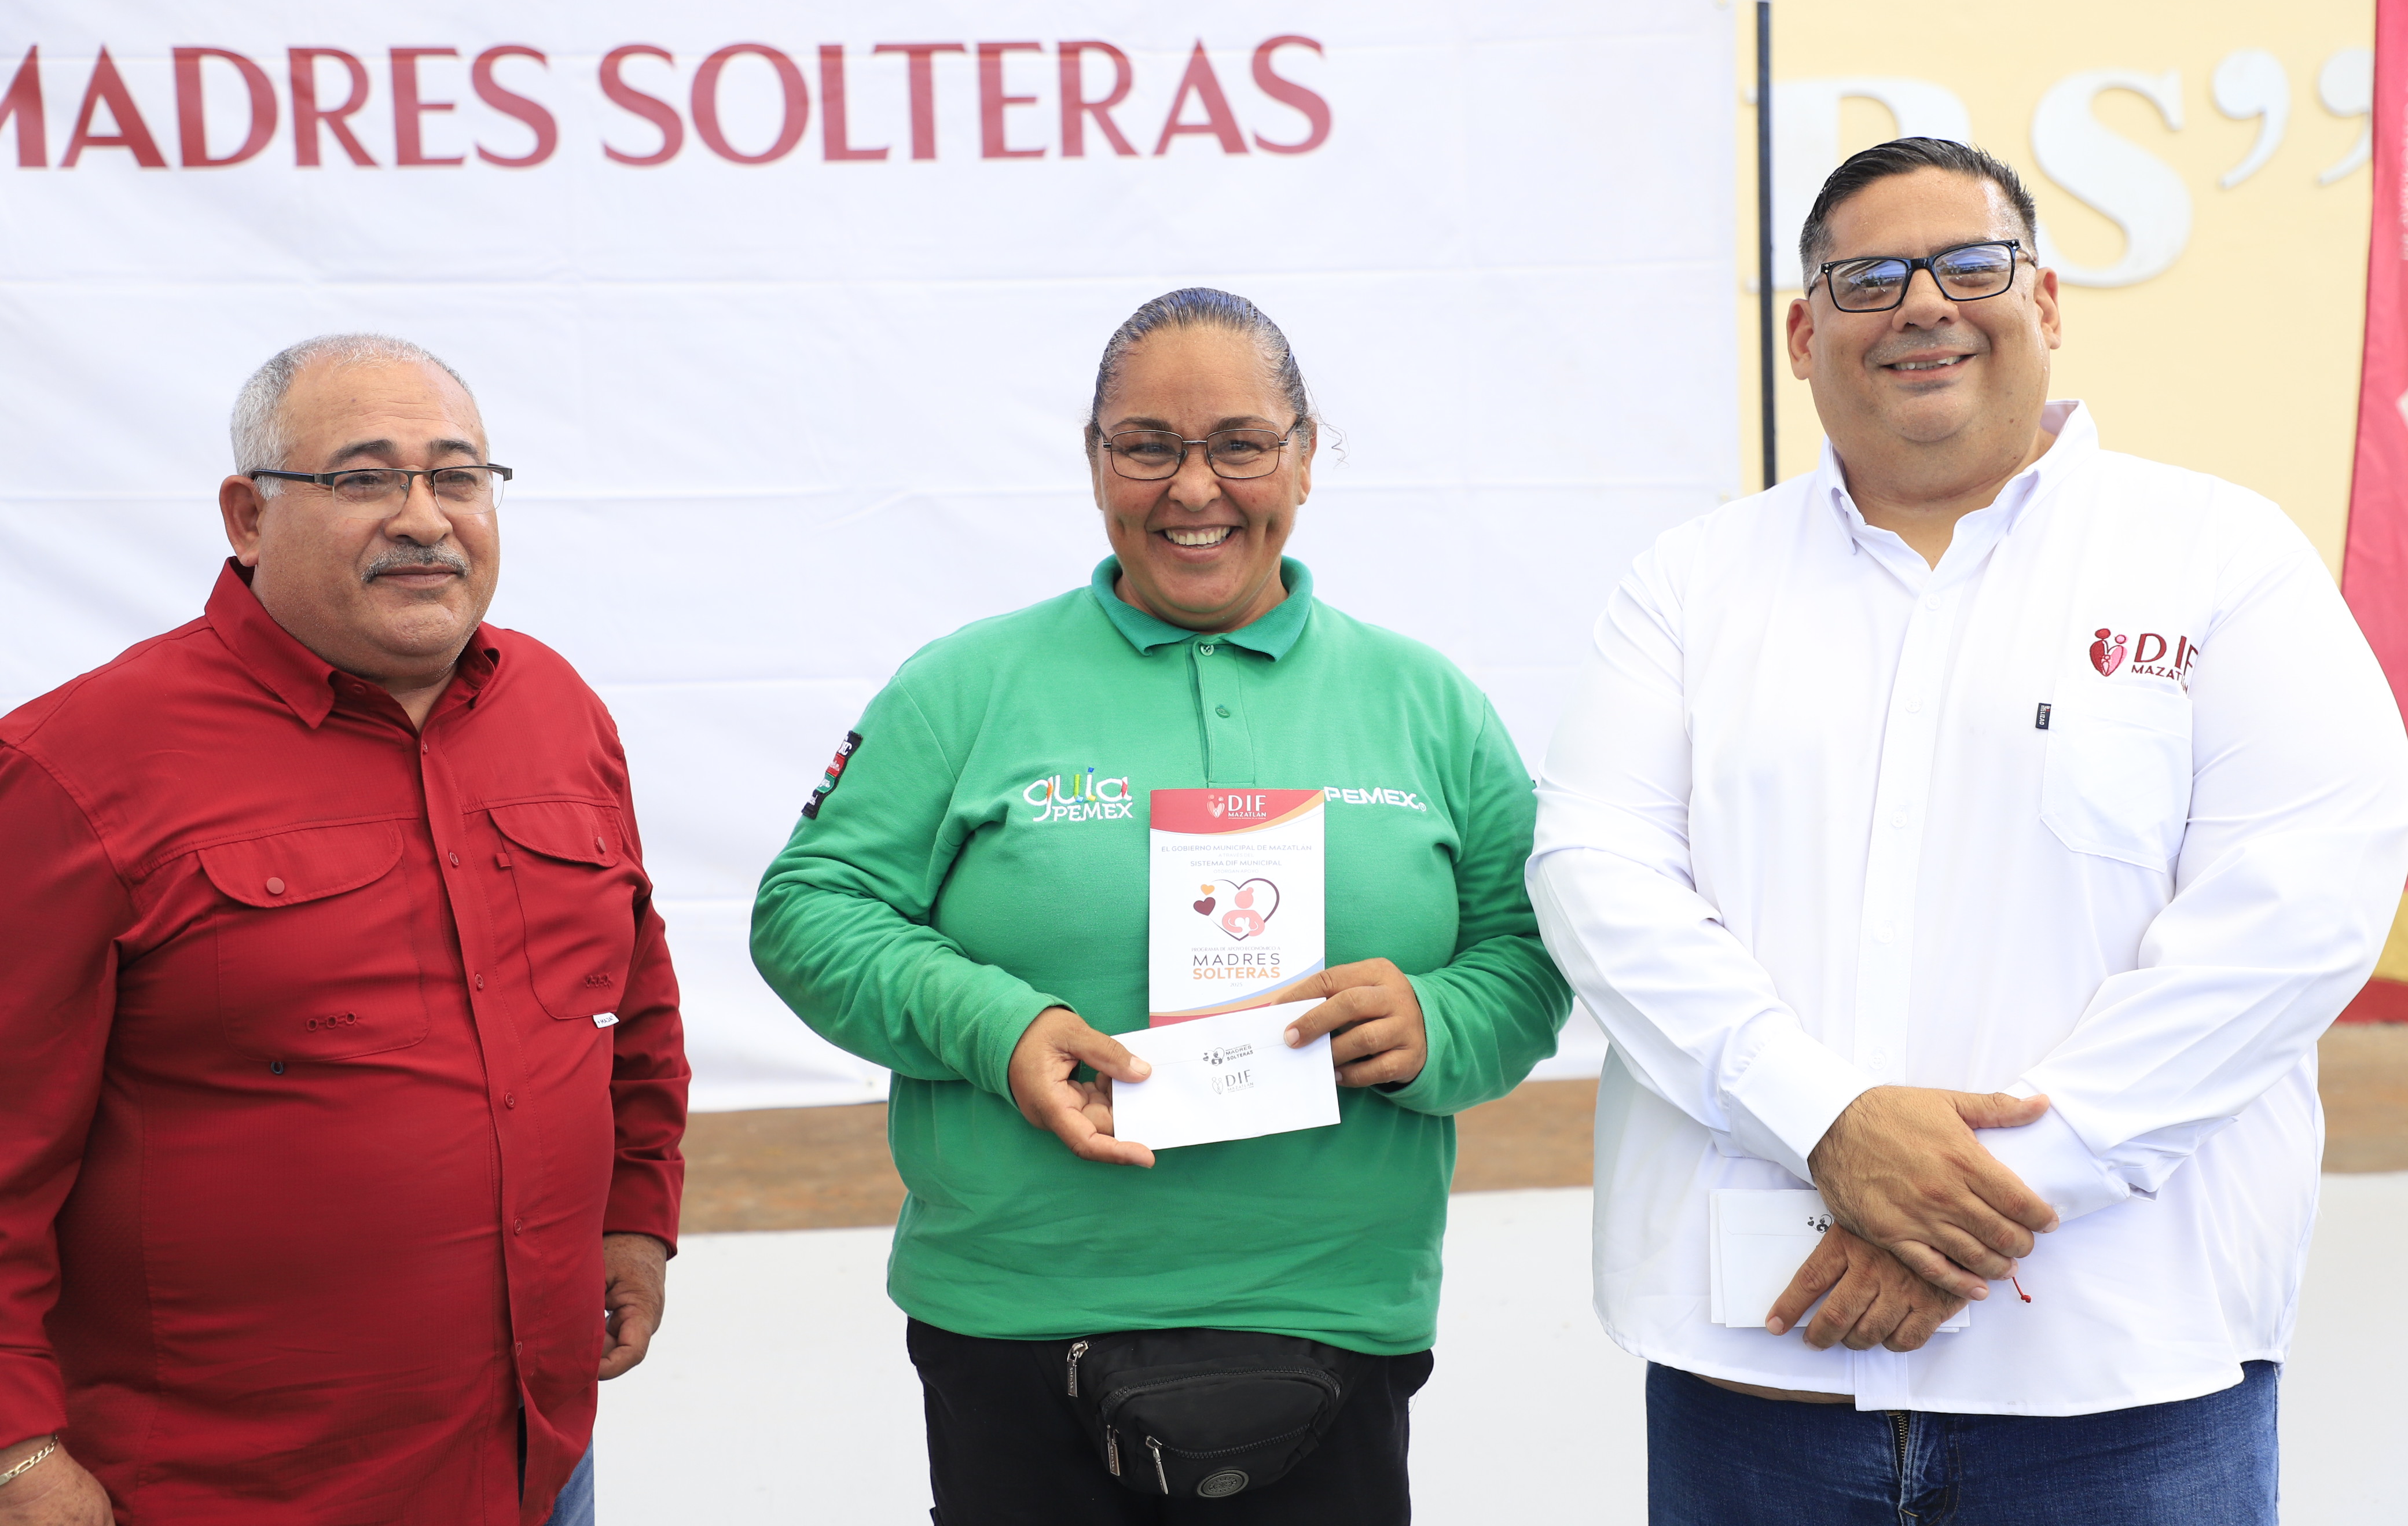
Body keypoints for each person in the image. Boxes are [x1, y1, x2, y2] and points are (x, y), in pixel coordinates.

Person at [1527, 136, 2408, 1524]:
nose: (1924, 303)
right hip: (1764, 1380)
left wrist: (1973, 1195)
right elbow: (1598, 877)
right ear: (1804, 334)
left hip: (2120, 1385)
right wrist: (1824, 1122)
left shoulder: (2220, 558)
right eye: (1869, 279)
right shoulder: (1691, 584)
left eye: (1970, 265)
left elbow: (2297, 908)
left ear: (2044, 300)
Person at [752, 288, 1572, 1523]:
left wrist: (1436, 1023)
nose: (1194, 489)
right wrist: (999, 1028)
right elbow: (809, 909)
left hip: (1334, 1314)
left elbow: (1532, 952)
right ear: (1095, 462)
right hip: (1021, 1321)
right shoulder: (965, 687)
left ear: (1305, 455)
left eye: (1240, 444)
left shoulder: (1426, 702)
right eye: (1148, 446)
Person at [0, 335, 689, 1526]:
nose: (424, 518)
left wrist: (636, 1213)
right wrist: (16, 1451)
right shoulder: (75, 768)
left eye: (457, 476)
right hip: (235, 1492)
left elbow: (633, 1002)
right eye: (364, 478)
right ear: (247, 517)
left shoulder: (558, 710)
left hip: (534, 1460)